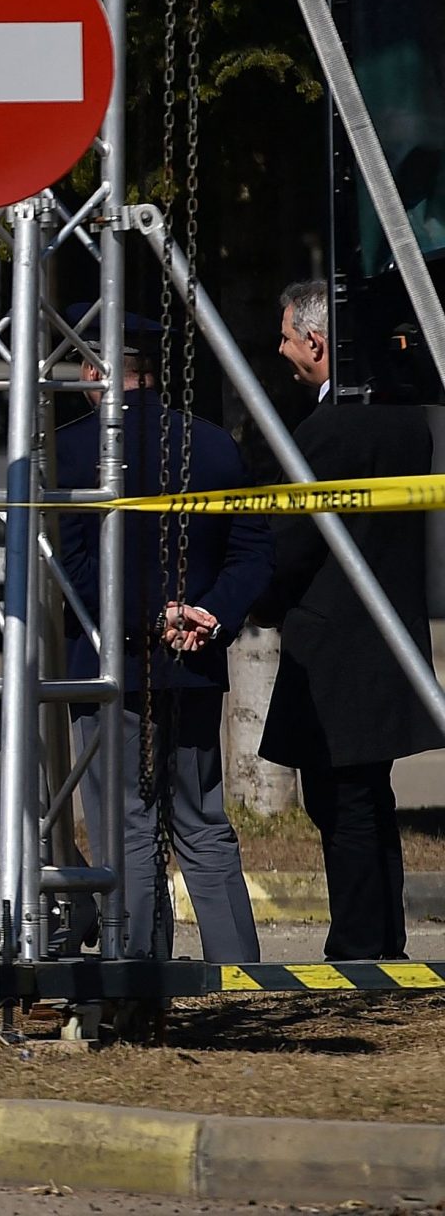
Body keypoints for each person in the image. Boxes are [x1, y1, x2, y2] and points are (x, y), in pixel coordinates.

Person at [53, 319, 270, 963]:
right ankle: (238, 972)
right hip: (193, 664)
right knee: (203, 822)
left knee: (127, 825)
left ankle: (138, 972)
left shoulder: (69, 451)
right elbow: (254, 552)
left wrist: (155, 618)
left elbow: (72, 571)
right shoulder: (213, 446)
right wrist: (206, 615)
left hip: (108, 664)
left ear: (96, 373)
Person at [252, 279, 441, 962]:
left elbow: (293, 543)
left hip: (336, 645)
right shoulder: (405, 423)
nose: (281, 350)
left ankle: (361, 948)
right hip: (386, 634)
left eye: (285, 337)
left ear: (317, 342)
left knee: (345, 806)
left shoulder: (329, 432)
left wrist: (254, 599)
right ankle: (379, 939)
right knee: (366, 799)